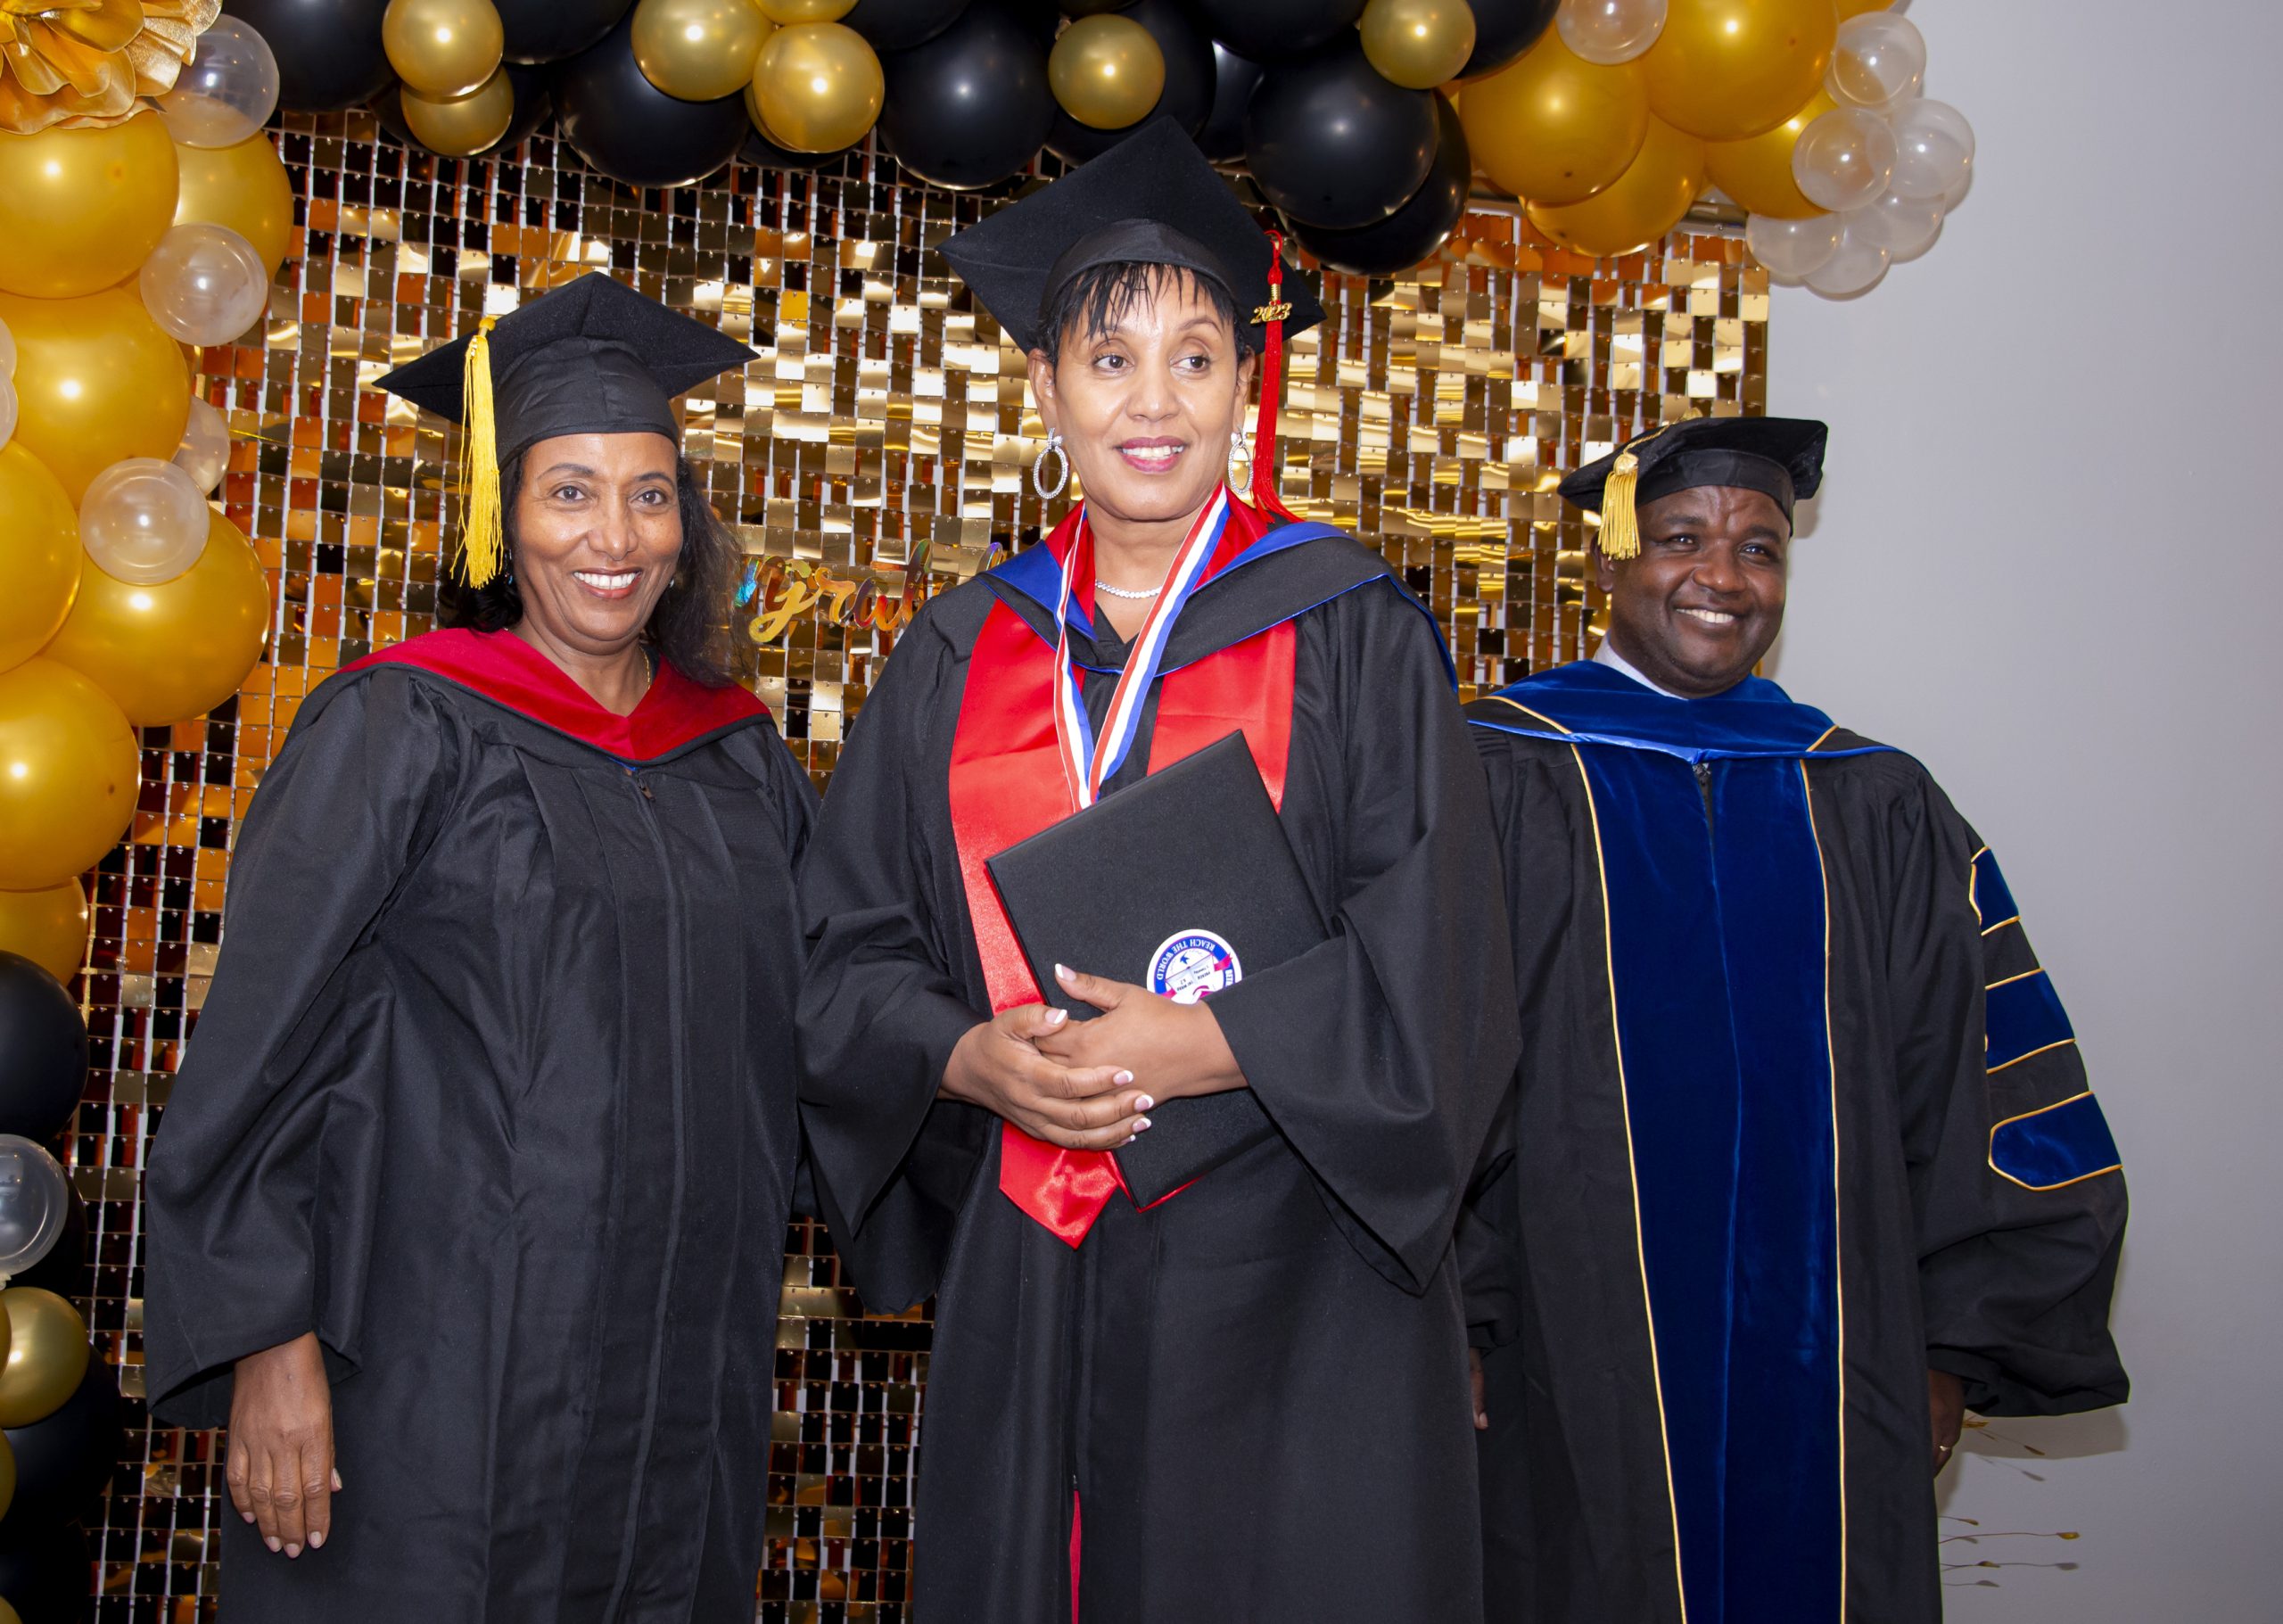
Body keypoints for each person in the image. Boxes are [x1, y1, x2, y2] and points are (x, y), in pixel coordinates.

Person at [797, 120, 1519, 1622]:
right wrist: (964, 1058)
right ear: (1044, 386)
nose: (1153, 400)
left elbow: (1445, 958)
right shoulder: (959, 651)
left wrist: (1215, 1041)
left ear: (1245, 384)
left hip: (1299, 1265)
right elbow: (844, 951)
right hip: (1037, 1254)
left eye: (1195, 357)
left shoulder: (1353, 631)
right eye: (1111, 358)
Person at [143, 274, 815, 1622]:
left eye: (648, 494)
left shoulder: (742, 761)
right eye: (568, 491)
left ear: (685, 525)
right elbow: (259, 1055)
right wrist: (270, 1343)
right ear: (500, 518)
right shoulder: (401, 728)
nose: (612, 535)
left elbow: (831, 1024)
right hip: (428, 1367)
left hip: (677, 1382)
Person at [1460, 415, 2130, 1624]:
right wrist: (1442, 1318)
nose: (1723, 577)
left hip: (1836, 1366)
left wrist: (1953, 1346)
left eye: (1759, 548)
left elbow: (1975, 1074)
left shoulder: (1873, 801)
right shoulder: (1493, 773)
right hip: (1560, 1349)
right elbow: (1429, 1071)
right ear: (1611, 559)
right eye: (1681, 538)